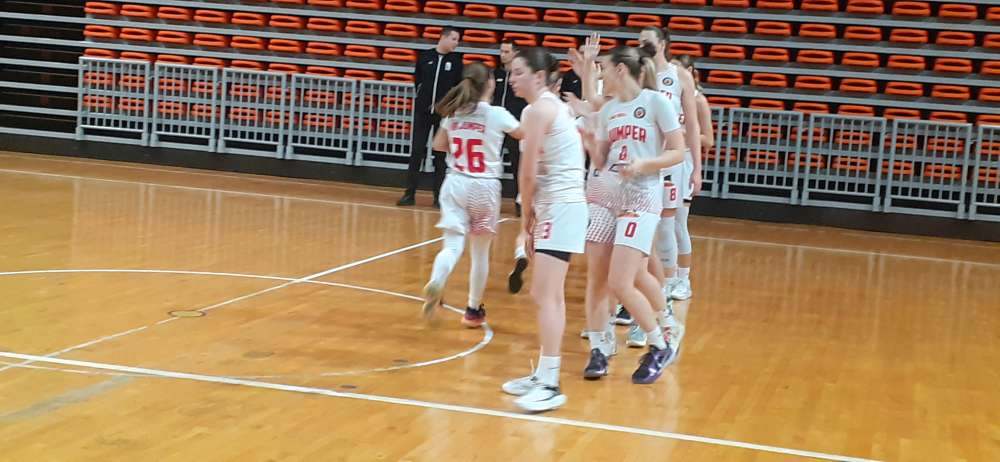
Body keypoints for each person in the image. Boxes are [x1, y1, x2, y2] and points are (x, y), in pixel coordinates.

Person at [577, 45, 687, 383]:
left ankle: (659, 343)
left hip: (642, 197)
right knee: (597, 279)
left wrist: (645, 164)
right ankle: (599, 347)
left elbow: (678, 151)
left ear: (620, 70)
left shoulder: (656, 102)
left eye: (603, 68)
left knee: (622, 281)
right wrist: (590, 142)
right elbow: (601, 161)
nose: (601, 75)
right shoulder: (609, 110)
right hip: (607, 195)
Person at [500, 48, 588, 412]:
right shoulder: (551, 107)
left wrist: (526, 220)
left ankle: (551, 384)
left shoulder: (537, 111)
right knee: (547, 294)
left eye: (518, 72)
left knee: (546, 295)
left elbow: (527, 170)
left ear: (538, 77)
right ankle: (543, 373)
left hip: (561, 207)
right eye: (511, 72)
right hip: (561, 205)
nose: (512, 79)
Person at [421, 63, 523, 328]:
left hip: (455, 182)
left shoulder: (455, 112)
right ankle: (472, 310)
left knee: (452, 246)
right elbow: (523, 134)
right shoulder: (496, 114)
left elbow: (438, 145)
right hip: (484, 187)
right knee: (480, 254)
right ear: (489, 83)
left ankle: (437, 281)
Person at [619, 26, 701, 350]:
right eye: (639, 41)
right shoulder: (637, 74)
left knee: (664, 229)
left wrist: (697, 168)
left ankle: (660, 300)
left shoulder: (680, 77)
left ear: (663, 44)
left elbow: (691, 126)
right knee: (639, 239)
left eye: (647, 41)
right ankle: (636, 302)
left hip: (669, 162)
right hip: (638, 163)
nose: (642, 45)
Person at [397, 27, 463, 208]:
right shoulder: (425, 57)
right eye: (454, 39)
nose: (456, 43)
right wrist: (423, 99)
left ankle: (439, 196)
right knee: (416, 152)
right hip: (423, 113)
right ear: (443, 37)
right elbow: (417, 80)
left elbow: (458, 87)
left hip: (443, 115)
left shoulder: (456, 62)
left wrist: (447, 107)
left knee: (440, 155)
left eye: (457, 40)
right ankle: (409, 194)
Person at [492, 41, 529, 217]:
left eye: (507, 51)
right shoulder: (496, 74)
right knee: (491, 162)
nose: (503, 54)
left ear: (515, 53)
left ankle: (519, 202)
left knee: (517, 165)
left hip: (514, 124)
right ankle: (489, 201)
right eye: (501, 51)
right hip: (496, 125)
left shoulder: (519, 76)